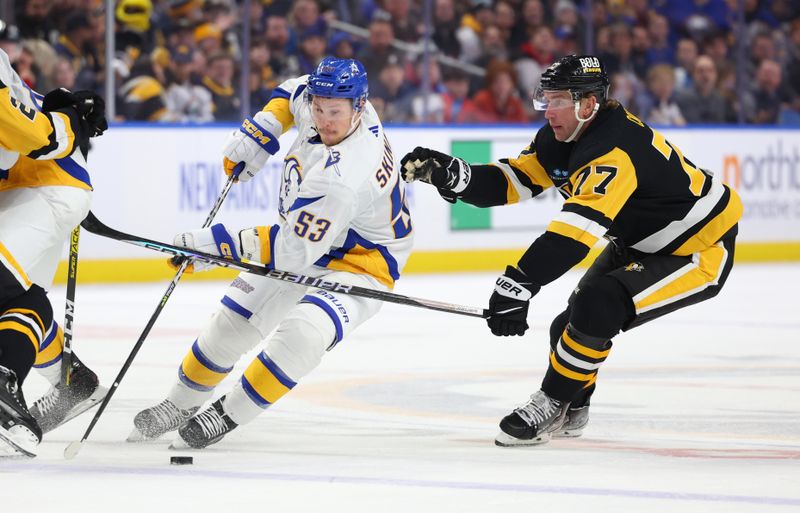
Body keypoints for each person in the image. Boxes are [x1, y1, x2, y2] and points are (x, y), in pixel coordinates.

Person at [401, 55, 742, 447]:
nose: (548, 111)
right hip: (639, 242)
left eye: (558, 100)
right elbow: (514, 181)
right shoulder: (562, 136)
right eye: (545, 98)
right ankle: (575, 406)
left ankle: (553, 400)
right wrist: (453, 175)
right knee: (564, 329)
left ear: (588, 104)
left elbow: (574, 234)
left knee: (598, 305)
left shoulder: (614, 149)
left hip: (697, 248)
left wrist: (518, 284)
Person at [131, 57, 413, 449]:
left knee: (304, 333)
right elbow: (293, 90)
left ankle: (227, 414)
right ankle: (179, 404)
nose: (324, 119)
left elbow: (291, 252)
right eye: (319, 108)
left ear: (360, 107)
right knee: (230, 323)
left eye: (334, 112)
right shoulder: (325, 102)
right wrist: (262, 129)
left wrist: (217, 247)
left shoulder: (346, 176)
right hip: (312, 238)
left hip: (361, 261)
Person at [0, 48, 107, 458]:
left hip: (44, 186)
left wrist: (66, 118)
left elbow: (25, 130)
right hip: (20, 190)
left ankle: (5, 379)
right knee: (22, 300)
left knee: (7, 288)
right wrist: (66, 110)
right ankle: (71, 378)